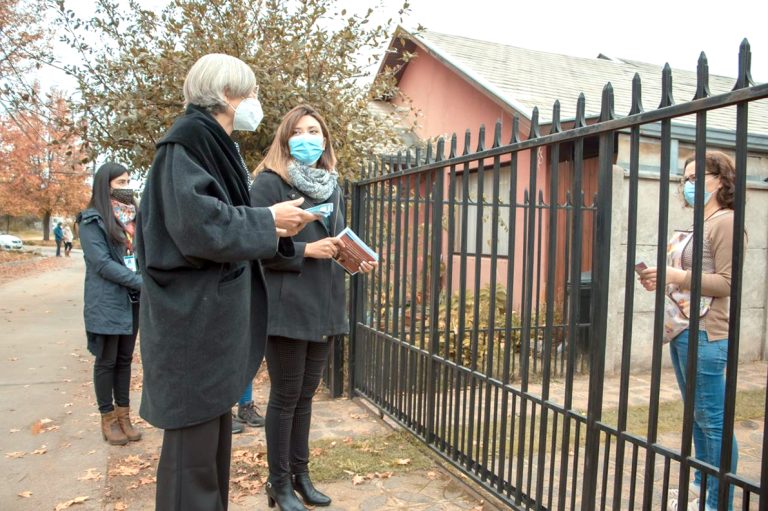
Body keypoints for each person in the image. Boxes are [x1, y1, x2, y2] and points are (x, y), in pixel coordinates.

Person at [135, 54, 316, 511]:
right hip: (192, 327)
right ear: (227, 95)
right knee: (190, 467)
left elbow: (223, 224)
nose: (255, 102)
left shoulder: (210, 143)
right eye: (251, 94)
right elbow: (199, 227)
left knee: (208, 455)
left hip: (207, 327)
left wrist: (273, 231)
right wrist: (267, 220)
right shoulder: (187, 144)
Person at [251, 104, 377, 511]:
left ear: (324, 140)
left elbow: (335, 241)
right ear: (286, 138)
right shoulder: (268, 184)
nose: (308, 137)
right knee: (286, 396)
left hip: (324, 304)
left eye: (315, 130)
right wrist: (307, 249)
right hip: (287, 307)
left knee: (306, 396)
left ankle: (301, 475)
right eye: (300, 131)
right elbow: (255, 246)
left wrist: (358, 257)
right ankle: (278, 482)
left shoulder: (332, 186)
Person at [639, 151, 741, 511]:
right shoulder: (701, 224)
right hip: (681, 329)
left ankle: (719, 501)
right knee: (696, 416)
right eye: (685, 179)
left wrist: (675, 275)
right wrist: (660, 279)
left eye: (697, 177)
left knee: (713, 422)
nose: (689, 185)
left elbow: (728, 282)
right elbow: (686, 279)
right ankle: (700, 486)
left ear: (720, 180)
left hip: (706, 333)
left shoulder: (726, 222)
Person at [77, 162, 143, 446]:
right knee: (107, 360)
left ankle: (124, 415)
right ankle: (108, 418)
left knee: (125, 360)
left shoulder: (133, 219)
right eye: (120, 183)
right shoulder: (92, 220)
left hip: (131, 300)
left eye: (129, 181)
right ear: (105, 187)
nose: (127, 187)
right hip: (106, 300)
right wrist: (141, 282)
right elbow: (101, 264)